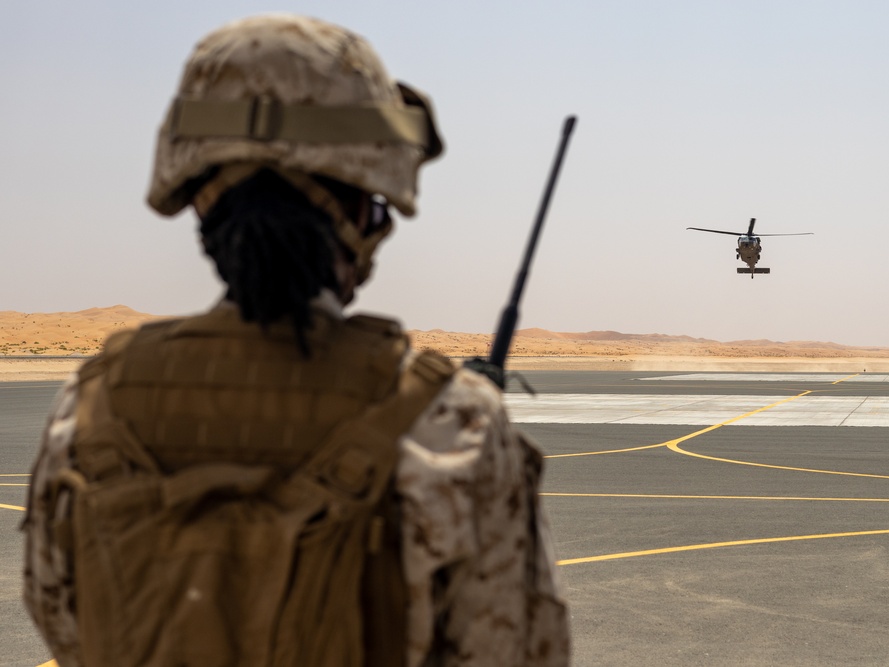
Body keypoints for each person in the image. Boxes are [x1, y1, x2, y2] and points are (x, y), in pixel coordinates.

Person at [22, 14, 569, 667]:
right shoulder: (455, 426)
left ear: (199, 197)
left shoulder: (87, 411)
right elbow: (516, 648)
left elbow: (65, 622)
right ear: (367, 207)